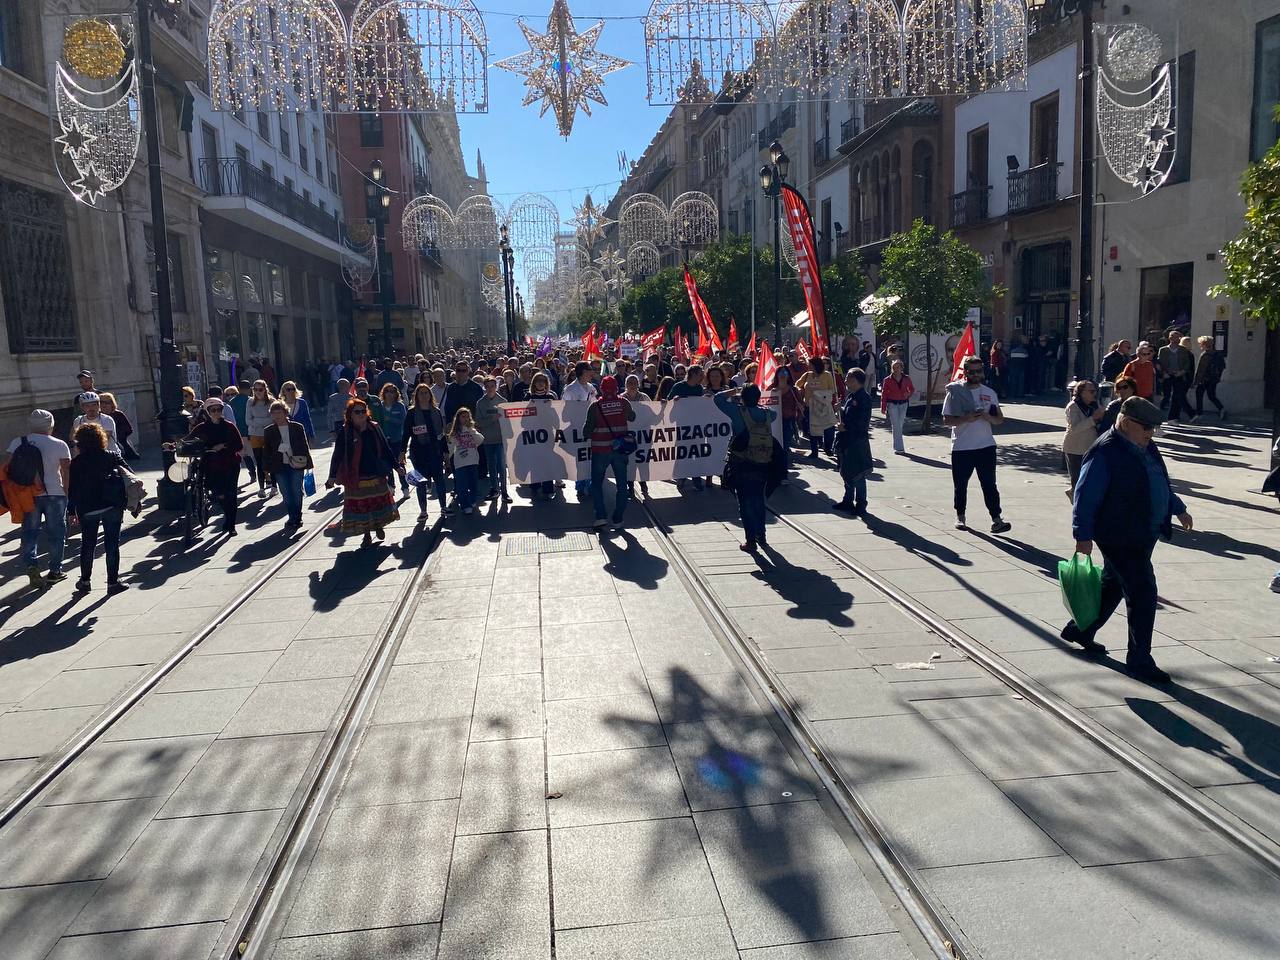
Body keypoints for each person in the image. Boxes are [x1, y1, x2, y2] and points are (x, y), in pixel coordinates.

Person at [1063, 397, 1193, 683]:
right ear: (1124, 422)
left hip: (1143, 531)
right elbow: (1084, 497)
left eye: (1154, 428)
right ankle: (1139, 659)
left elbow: (1157, 480)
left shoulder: (1145, 446)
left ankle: (1080, 629)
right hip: (1119, 534)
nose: (1151, 433)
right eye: (1146, 427)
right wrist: (1082, 536)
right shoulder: (1105, 452)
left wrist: (1177, 507)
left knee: (1112, 585)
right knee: (1143, 592)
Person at [942, 356, 1012, 534]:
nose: (975, 374)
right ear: (965, 371)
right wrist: (966, 418)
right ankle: (960, 516)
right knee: (961, 485)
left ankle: (997, 519)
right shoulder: (954, 392)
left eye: (978, 371)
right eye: (971, 371)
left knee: (989, 484)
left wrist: (988, 417)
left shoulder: (989, 392)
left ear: (983, 371)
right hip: (962, 447)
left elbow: (999, 419)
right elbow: (946, 420)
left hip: (986, 446)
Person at [5, 410, 72, 587]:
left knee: (30, 532)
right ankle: (55, 570)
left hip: (28, 494)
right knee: (57, 533)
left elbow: (10, 468)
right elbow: (66, 470)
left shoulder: (18, 442)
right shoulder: (59, 444)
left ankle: (32, 566)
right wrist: (66, 491)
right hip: (55, 493)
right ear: (51, 424)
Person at [67, 422, 134, 593]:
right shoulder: (112, 456)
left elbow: (72, 489)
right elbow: (130, 475)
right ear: (101, 439)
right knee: (112, 544)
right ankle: (112, 582)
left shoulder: (77, 463)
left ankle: (85, 581)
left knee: (88, 544)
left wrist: (70, 510)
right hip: (112, 504)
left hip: (87, 508)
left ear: (79, 442)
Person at [716, 384, 780, 552]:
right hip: (763, 462)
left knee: (745, 502)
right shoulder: (768, 414)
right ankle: (762, 535)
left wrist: (734, 391)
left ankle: (750, 540)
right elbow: (774, 413)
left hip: (742, 463)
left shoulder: (738, 412)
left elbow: (718, 399)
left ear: (743, 398)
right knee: (758, 499)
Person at [326, 398, 399, 547]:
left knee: (377, 504)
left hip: (375, 473)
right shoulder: (346, 431)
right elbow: (337, 454)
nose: (360, 414)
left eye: (363, 411)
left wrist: (397, 467)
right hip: (355, 476)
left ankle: (378, 526)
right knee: (362, 507)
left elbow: (385, 449)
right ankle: (366, 535)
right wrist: (332, 476)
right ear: (350, 415)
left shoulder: (375, 427)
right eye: (357, 412)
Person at [179, 397, 244, 536]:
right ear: (208, 412)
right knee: (218, 495)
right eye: (213, 410)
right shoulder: (202, 427)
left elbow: (239, 445)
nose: (216, 412)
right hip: (211, 465)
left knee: (231, 494)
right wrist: (173, 445)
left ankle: (231, 525)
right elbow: (187, 440)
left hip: (230, 464)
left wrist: (224, 446)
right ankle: (228, 517)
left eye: (219, 410)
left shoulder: (229, 426)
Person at [583, 375, 636, 530]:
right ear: (617, 388)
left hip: (600, 450)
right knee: (622, 485)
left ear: (601, 389)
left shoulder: (595, 406)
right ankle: (618, 517)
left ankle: (600, 516)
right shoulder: (623, 402)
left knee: (597, 484)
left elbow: (586, 432)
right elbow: (632, 417)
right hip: (620, 450)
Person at [262, 400, 313, 530]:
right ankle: (292, 516)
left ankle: (297, 516)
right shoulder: (269, 431)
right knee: (286, 492)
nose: (277, 416)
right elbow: (266, 451)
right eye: (274, 413)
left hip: (296, 463)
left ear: (286, 413)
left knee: (296, 491)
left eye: (279, 413)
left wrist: (309, 464)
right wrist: (266, 469)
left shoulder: (297, 427)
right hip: (279, 466)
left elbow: (304, 446)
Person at [834, 369, 873, 516]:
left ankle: (861, 504)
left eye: (848, 377)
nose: (845, 380)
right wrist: (841, 410)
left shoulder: (864, 398)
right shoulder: (851, 397)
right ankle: (847, 500)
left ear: (855, 380)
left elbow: (862, 422)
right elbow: (849, 415)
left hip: (857, 441)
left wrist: (846, 427)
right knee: (846, 472)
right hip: (846, 440)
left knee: (858, 474)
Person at [406, 383, 449, 519]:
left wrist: (445, 451)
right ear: (417, 396)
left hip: (434, 451)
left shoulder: (436, 412)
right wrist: (402, 451)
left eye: (426, 393)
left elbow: (442, 434)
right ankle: (423, 511)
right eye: (421, 393)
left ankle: (443, 507)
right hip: (418, 451)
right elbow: (406, 433)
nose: (424, 395)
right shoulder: (412, 413)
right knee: (421, 483)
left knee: (439, 481)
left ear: (430, 395)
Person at [1063, 380, 1104, 496]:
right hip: (1075, 448)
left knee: (1089, 478)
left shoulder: (1095, 405)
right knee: (1077, 480)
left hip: (1090, 447)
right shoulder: (1073, 407)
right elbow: (1074, 428)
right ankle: (1076, 499)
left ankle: (1073, 492)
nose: (1094, 394)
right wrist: (1093, 419)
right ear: (1081, 392)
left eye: (1095, 391)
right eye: (1091, 391)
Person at [475, 377, 510, 504]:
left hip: (500, 439)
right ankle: (494, 489)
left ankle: (504, 491)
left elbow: (508, 421)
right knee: (491, 466)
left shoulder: (503, 401)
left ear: (496, 387)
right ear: (485, 387)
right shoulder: (480, 403)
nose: (490, 389)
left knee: (501, 465)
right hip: (487, 439)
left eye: (492, 386)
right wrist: (492, 419)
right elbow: (478, 422)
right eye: (488, 386)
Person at [797, 357, 838, 458]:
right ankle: (814, 451)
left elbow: (832, 390)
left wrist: (818, 394)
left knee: (828, 428)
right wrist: (801, 391)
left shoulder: (827, 375)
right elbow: (797, 385)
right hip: (810, 407)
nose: (809, 366)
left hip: (824, 407)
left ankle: (828, 448)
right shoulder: (807, 375)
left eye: (810, 364)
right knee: (813, 430)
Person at [446, 408, 484, 516]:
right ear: (458, 418)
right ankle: (465, 505)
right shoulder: (454, 432)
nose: (465, 419)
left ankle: (472, 501)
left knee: (473, 484)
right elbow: (450, 447)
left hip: (472, 461)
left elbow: (480, 440)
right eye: (463, 417)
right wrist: (447, 460)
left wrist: (472, 431)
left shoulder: (472, 430)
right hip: (460, 462)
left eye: (467, 416)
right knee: (462, 485)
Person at [245, 379, 276, 497]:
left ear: (265, 389)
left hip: (269, 435)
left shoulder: (271, 401)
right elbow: (248, 420)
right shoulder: (250, 402)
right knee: (259, 461)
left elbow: (272, 419)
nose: (258, 392)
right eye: (255, 389)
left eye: (260, 389)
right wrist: (262, 421)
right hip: (255, 435)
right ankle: (261, 487)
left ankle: (274, 486)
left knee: (270, 460)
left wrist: (256, 420)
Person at [378, 383, 409, 496]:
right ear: (384, 393)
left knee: (400, 463)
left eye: (392, 391)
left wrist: (389, 418)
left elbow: (402, 422)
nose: (390, 393)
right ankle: (391, 486)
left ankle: (405, 487)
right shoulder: (380, 406)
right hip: (384, 440)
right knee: (387, 465)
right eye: (387, 391)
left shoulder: (399, 406)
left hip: (397, 439)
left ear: (396, 393)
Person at [1157, 330, 1194, 422]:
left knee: (1177, 395)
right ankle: (1167, 416)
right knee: (1167, 395)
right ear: (1170, 338)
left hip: (1179, 375)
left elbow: (1187, 363)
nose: (1177, 339)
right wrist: (1163, 373)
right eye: (1174, 337)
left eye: (1178, 337)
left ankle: (1173, 417)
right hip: (1167, 375)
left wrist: (1182, 371)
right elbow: (1160, 362)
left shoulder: (1183, 350)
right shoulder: (1163, 350)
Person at [879, 359, 914, 455]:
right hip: (892, 404)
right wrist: (883, 406)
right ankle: (899, 448)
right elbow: (884, 393)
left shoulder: (906, 378)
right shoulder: (887, 380)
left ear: (902, 368)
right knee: (896, 424)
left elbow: (912, 389)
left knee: (900, 424)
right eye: (894, 367)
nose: (896, 369)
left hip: (903, 403)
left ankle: (898, 446)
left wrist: (908, 394)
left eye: (898, 367)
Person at [72, 392, 120, 456]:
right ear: (82, 407)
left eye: (94, 405)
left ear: (98, 405)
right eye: (87, 405)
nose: (91, 408)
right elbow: (77, 440)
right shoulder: (78, 421)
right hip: (88, 456)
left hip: (109, 456)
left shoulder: (107, 419)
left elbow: (104, 440)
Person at [1192, 335, 1227, 421]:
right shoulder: (1217, 354)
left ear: (1204, 344)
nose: (1200, 345)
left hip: (1204, 379)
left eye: (1200, 344)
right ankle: (1221, 408)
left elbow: (1201, 370)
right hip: (1214, 379)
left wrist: (1195, 382)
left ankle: (1199, 413)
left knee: (1199, 394)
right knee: (1211, 395)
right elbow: (1223, 366)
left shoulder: (1205, 355)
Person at [776, 367, 802, 482]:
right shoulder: (771, 389)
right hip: (774, 423)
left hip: (787, 422)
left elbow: (801, 404)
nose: (782, 375)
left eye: (785, 372)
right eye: (780, 372)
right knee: (774, 448)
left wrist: (800, 407)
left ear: (788, 375)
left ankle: (783, 474)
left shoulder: (793, 390)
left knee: (785, 448)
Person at [99, 392, 139, 461]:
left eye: (107, 402)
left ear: (112, 403)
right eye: (101, 402)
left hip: (120, 445)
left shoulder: (118, 414)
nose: (104, 405)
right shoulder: (97, 416)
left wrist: (117, 435)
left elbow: (128, 429)